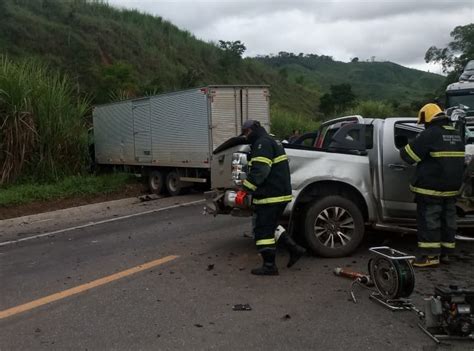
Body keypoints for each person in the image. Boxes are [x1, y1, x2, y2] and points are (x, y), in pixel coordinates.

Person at [235, 120, 306, 275]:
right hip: (277, 193)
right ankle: (295, 249)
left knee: (262, 230)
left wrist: (245, 189)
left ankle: (269, 266)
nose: (246, 137)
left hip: (271, 195)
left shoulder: (262, 144)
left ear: (253, 130)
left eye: (246, 133)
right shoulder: (270, 140)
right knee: (271, 225)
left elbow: (260, 171)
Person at [400, 103, 465, 267]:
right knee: (448, 221)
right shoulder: (455, 134)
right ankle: (445, 254)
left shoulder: (430, 134)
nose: (424, 125)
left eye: (424, 122)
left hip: (431, 188)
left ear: (427, 118)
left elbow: (408, 156)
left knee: (429, 221)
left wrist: (407, 144)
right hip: (452, 189)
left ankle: (430, 257)